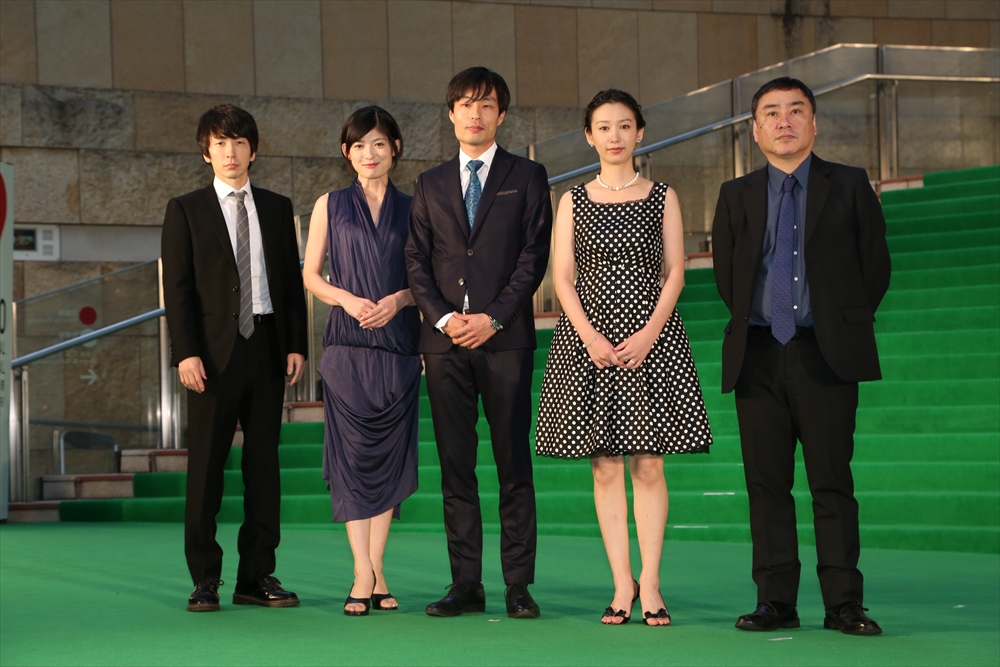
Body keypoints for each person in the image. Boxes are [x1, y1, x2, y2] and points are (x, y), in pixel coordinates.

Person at [711, 77, 890, 636]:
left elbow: (874, 268)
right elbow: (727, 276)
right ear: (755, 130)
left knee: (831, 482)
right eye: (771, 113)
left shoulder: (850, 184)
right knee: (766, 485)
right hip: (759, 353)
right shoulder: (735, 194)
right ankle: (775, 600)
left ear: (813, 123)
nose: (783, 121)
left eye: (795, 110)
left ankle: (844, 603)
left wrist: (836, 323)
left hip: (825, 353)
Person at [535, 89, 713, 626]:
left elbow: (675, 273)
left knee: (648, 462)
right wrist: (589, 336)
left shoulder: (663, 195)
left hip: (651, 338)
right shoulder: (572, 200)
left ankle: (651, 582)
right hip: (587, 341)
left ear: (640, 133)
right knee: (605, 465)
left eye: (624, 126)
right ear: (589, 136)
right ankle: (621, 584)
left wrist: (649, 333)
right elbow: (562, 278)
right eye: (604, 127)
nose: (615, 136)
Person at [405, 66, 552, 619]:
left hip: (505, 341)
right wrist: (444, 319)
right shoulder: (429, 183)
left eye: (486, 105)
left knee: (514, 464)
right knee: (456, 467)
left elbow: (533, 256)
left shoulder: (527, 175)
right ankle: (465, 583)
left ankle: (518, 584)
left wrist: (494, 317)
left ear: (501, 115)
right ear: (451, 114)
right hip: (444, 345)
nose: (475, 114)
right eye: (466, 104)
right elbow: (416, 260)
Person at [161, 104, 308, 612]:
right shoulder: (185, 209)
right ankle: (205, 578)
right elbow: (177, 290)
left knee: (264, 468)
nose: (231, 152)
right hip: (211, 357)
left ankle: (256, 576)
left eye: (239, 142)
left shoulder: (276, 207)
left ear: (253, 150)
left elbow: (289, 282)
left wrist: (296, 343)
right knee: (206, 469)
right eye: (221, 143)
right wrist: (186, 353)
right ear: (206, 152)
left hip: (266, 347)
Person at [302, 106, 420, 616]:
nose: (369, 154)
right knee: (352, 463)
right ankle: (362, 572)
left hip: (398, 347)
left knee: (388, 464)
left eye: (378, 144)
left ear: (395, 148)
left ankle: (376, 568)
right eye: (358, 145)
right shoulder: (328, 204)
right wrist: (346, 300)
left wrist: (399, 299)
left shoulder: (415, 207)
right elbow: (310, 274)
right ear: (346, 152)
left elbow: (427, 279)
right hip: (346, 349)